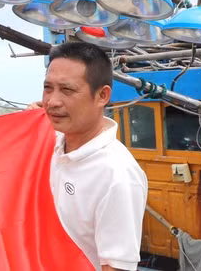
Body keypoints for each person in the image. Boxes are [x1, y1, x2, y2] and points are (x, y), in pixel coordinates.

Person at [42, 42, 147, 271]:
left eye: (67, 90)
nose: (52, 101)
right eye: (48, 88)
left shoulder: (117, 176)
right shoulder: (49, 147)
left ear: (102, 95)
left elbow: (116, 267)